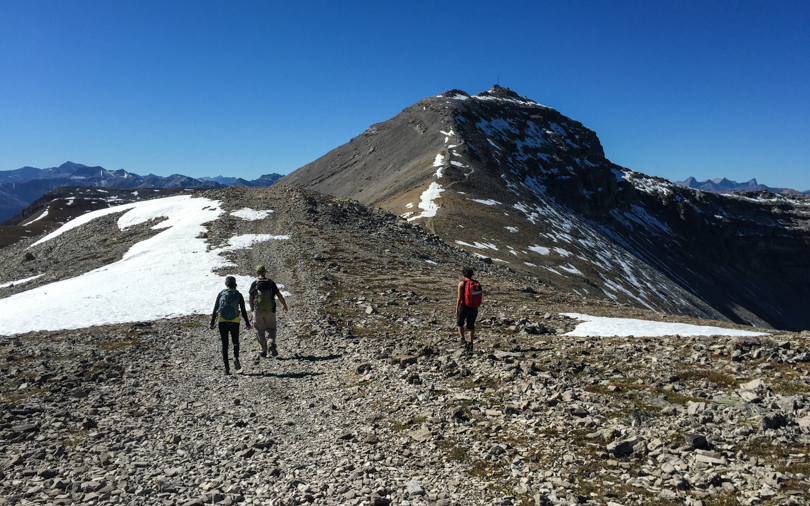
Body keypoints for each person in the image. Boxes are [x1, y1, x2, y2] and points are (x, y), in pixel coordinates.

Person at [210, 276, 251, 375]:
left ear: (226, 284)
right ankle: (236, 357)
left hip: (222, 321)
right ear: (235, 284)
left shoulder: (221, 294)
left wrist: (212, 323)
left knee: (225, 344)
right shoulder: (238, 295)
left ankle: (226, 368)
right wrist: (247, 322)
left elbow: (215, 309)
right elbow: (243, 310)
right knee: (235, 341)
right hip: (235, 321)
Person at [249, 265, 288, 359]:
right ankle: (270, 342)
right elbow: (279, 295)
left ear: (257, 273)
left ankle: (263, 350)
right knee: (272, 329)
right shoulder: (270, 283)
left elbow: (250, 298)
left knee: (259, 330)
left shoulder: (255, 283)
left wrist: (252, 309)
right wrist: (284, 305)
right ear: (265, 272)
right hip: (270, 310)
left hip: (258, 310)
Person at [456, 268, 483, 354]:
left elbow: (459, 297)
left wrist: (457, 308)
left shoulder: (462, 283)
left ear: (463, 274)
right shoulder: (476, 283)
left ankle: (462, 340)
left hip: (464, 307)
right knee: (471, 326)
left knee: (460, 323)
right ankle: (471, 343)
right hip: (474, 308)